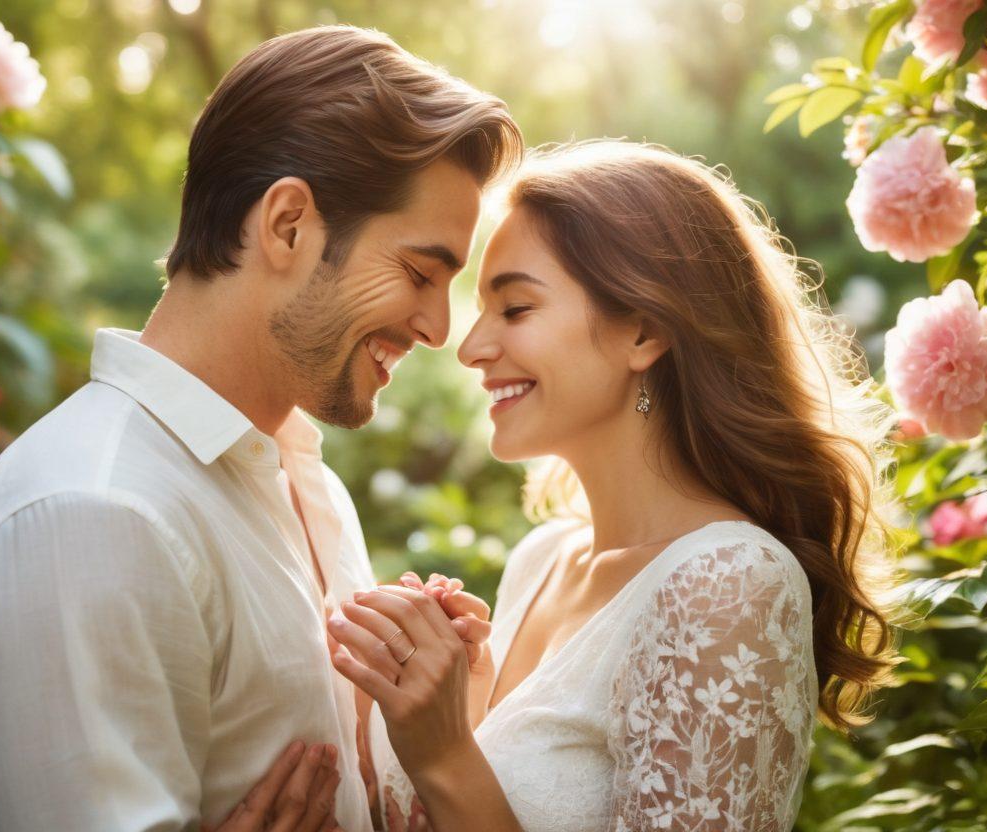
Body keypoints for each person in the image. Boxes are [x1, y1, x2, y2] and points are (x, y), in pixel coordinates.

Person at [0, 25, 521, 831]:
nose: (440, 328)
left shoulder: (310, 485)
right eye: (419, 273)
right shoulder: (89, 517)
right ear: (288, 226)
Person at [329, 141, 900, 831]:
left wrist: (447, 754)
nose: (471, 346)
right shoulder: (542, 559)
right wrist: (446, 702)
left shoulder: (729, 584)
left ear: (643, 329)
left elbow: (462, 780)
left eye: (514, 309)